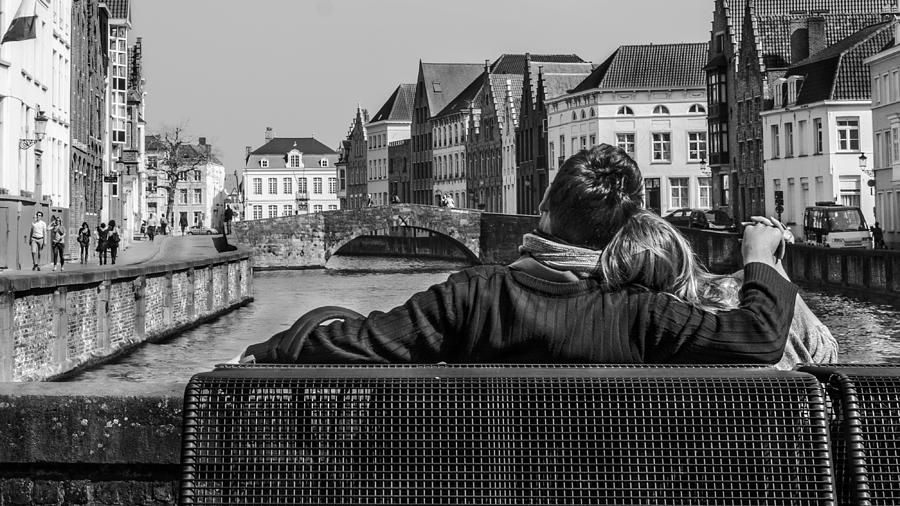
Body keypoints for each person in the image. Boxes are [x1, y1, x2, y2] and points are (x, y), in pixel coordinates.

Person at [239, 145, 797, 366]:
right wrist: (759, 257)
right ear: (625, 231)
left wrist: (265, 351)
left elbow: (361, 342)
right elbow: (762, 336)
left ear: (545, 213)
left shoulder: (472, 297)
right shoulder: (644, 312)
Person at [598, 209, 837, 369]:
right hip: (784, 441)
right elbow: (825, 353)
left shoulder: (612, 330)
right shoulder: (738, 298)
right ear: (683, 258)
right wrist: (771, 266)